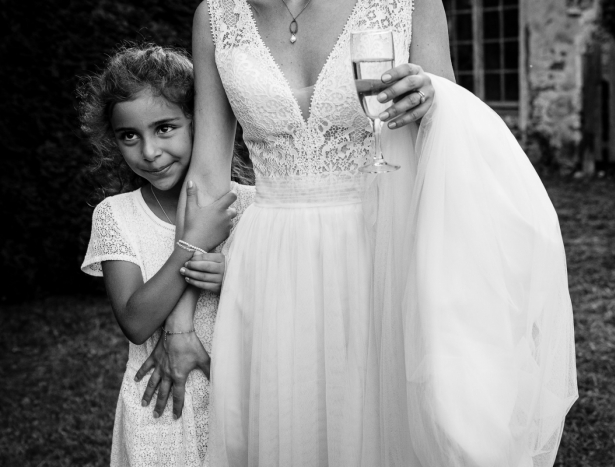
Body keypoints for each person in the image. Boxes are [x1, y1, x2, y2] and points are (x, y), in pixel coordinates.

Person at [155, 0, 578, 464]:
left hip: (379, 249)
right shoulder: (215, 15)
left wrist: (433, 98)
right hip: (268, 269)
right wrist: (179, 321)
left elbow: (450, 149)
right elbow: (206, 179)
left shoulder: (410, 4)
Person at [77, 44, 256, 466]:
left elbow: (282, 303)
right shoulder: (116, 215)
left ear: (199, 122)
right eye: (129, 136)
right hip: (158, 406)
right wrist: (191, 245)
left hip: (238, 394)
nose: (150, 152)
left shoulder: (250, 204)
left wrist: (232, 276)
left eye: (165, 128)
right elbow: (136, 322)